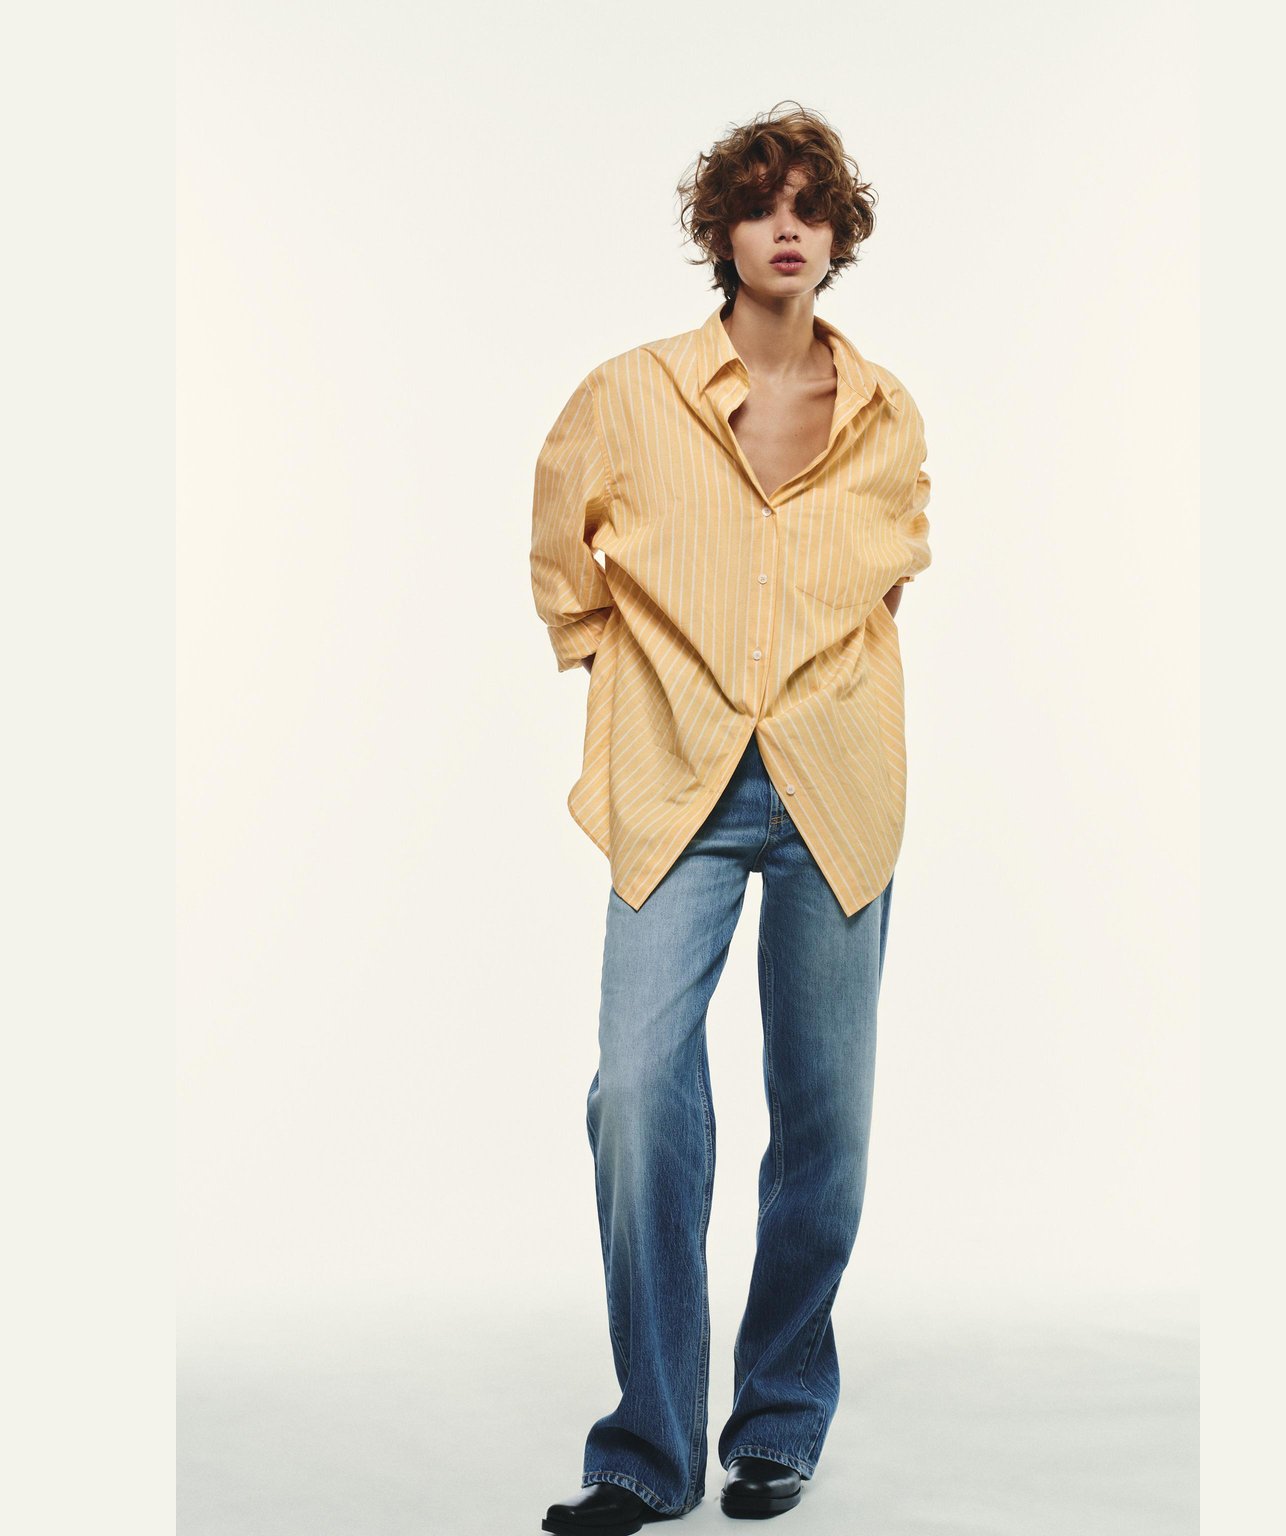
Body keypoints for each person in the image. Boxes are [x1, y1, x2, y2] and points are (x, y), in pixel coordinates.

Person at [531, 102, 933, 1535]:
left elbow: (894, 570)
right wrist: (619, 675)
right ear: (724, 231)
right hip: (677, 780)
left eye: (811, 206)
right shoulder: (629, 393)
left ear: (837, 234)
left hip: (835, 783)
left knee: (828, 1124)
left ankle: (777, 1419)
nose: (787, 226)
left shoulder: (886, 412)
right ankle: (649, 1446)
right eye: (762, 203)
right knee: (638, 1096)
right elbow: (560, 553)